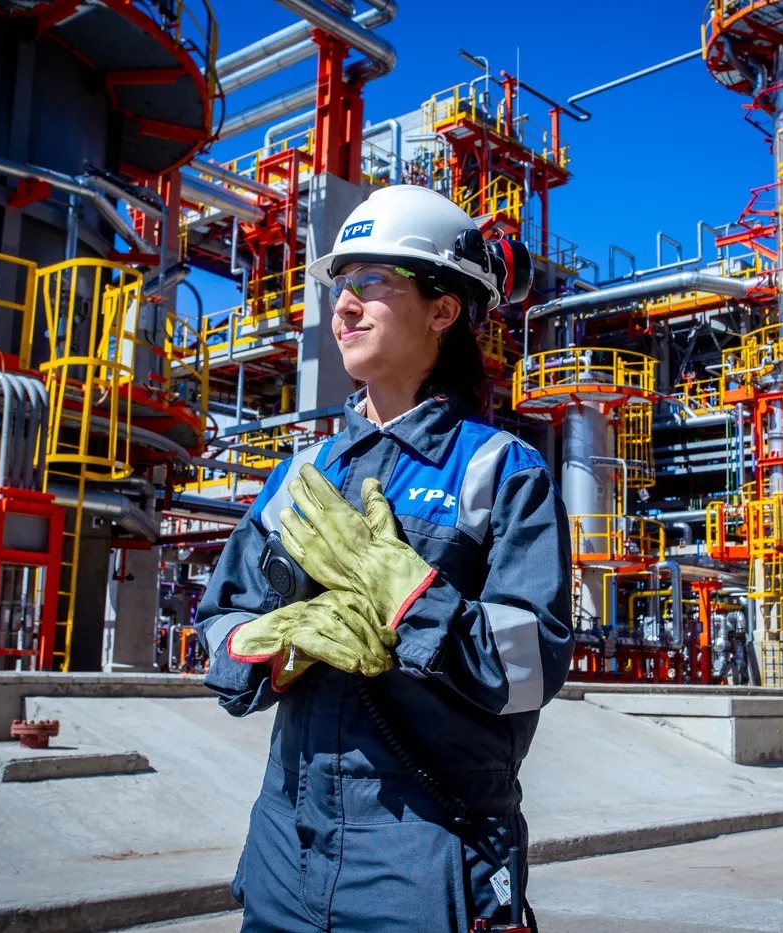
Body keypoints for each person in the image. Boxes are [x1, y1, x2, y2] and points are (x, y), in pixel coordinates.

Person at [194, 184, 573, 933]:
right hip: (285, 845)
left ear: (444, 309)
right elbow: (218, 618)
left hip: (427, 849)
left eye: (374, 282)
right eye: (342, 285)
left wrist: (411, 599)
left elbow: (533, 666)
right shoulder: (303, 478)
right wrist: (268, 643)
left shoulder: (501, 471)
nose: (344, 306)